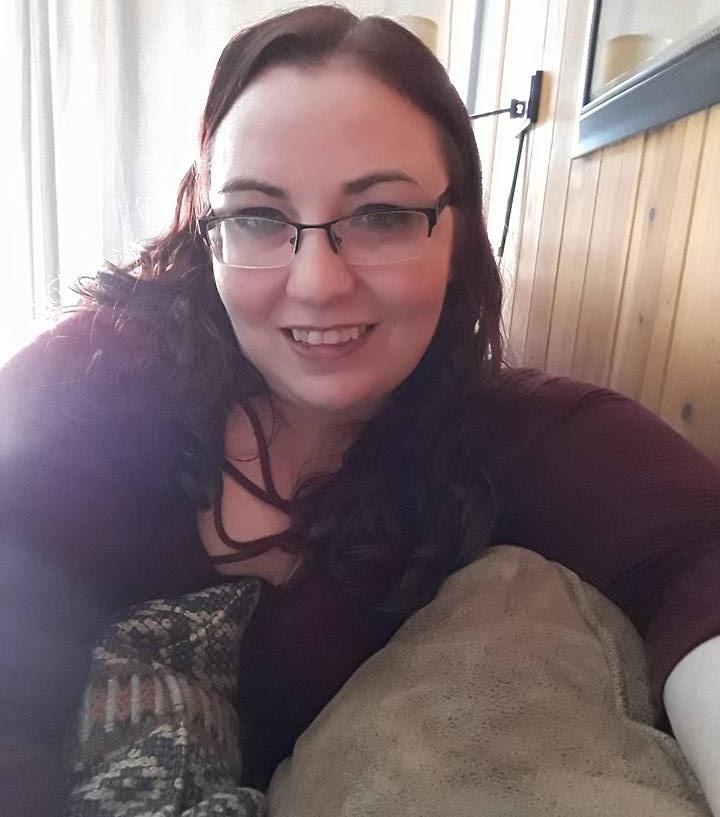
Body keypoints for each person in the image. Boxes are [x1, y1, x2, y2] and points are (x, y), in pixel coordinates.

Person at [1, 5, 719, 814]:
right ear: (210, 233)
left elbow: (698, 554)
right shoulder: (93, 372)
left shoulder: (507, 434)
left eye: (381, 215)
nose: (316, 283)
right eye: (258, 216)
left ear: (459, 234)